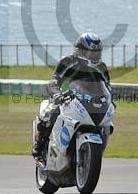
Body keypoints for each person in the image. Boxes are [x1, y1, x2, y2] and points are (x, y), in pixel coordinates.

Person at [32, 32, 111, 160]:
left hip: (89, 100)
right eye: (91, 53)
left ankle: (95, 153)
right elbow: (54, 81)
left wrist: (110, 100)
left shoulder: (101, 67)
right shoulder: (67, 61)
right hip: (66, 98)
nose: (94, 56)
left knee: (107, 123)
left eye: (97, 53)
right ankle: (39, 146)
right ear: (80, 51)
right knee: (49, 114)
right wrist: (57, 95)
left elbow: (107, 86)